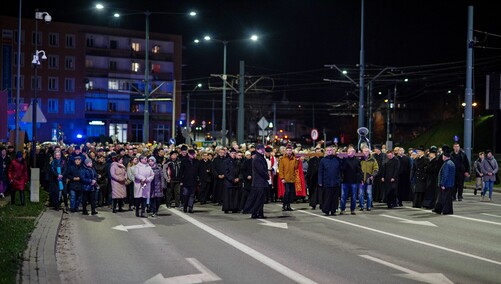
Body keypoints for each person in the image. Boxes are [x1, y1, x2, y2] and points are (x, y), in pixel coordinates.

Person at [243, 144, 268, 219]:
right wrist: (267, 176)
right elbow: (261, 170)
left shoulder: (259, 157)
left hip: (259, 182)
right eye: (262, 149)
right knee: (259, 199)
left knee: (259, 199)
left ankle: (258, 213)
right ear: (258, 150)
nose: (263, 150)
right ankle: (256, 213)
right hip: (259, 182)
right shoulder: (257, 158)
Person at [318, 146, 343, 216]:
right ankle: (326, 210)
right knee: (327, 197)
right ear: (325, 151)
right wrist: (320, 181)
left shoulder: (337, 159)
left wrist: (341, 159)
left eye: (330, 150)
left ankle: (333, 210)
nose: (329, 151)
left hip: (336, 182)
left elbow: (341, 169)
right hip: (326, 182)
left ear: (333, 151)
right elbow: (320, 172)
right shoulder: (323, 160)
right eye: (328, 150)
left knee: (335, 198)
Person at [340, 147, 362, 215]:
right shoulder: (344, 159)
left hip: (354, 181)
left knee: (354, 196)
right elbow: (341, 169)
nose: (349, 153)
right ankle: (342, 209)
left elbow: (359, 171)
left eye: (350, 152)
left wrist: (359, 179)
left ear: (354, 152)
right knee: (343, 196)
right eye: (348, 152)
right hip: (345, 181)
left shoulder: (357, 160)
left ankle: (352, 209)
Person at [179, 149, 203, 213]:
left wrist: (200, 180)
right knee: (185, 194)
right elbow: (181, 171)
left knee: (192, 195)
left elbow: (200, 172)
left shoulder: (197, 161)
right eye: (191, 154)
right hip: (185, 181)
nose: (193, 155)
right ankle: (185, 206)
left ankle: (190, 207)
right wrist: (180, 180)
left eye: (194, 154)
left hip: (194, 181)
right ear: (188, 154)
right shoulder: (184, 161)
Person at [434, 146, 455, 215]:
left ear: (445, 157)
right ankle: (448, 210)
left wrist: (442, 184)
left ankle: (444, 210)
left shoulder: (446, 164)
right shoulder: (452, 163)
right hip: (450, 184)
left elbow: (445, 175)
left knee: (443, 198)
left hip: (446, 184)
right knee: (448, 199)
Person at [278, 145, 299, 211]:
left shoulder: (294, 159)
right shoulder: (282, 159)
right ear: (285, 151)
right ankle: (284, 205)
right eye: (287, 150)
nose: (289, 152)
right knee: (287, 191)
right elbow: (281, 169)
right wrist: (282, 178)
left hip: (292, 178)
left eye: (290, 150)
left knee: (290, 193)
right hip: (286, 178)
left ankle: (288, 205)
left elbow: (296, 167)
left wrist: (297, 161)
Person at [360, 146, 379, 211]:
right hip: (361, 179)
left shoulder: (373, 160)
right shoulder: (360, 159)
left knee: (369, 194)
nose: (366, 152)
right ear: (362, 152)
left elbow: (376, 169)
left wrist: (372, 175)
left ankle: (369, 206)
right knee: (361, 194)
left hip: (369, 179)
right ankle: (361, 206)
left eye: (367, 151)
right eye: (365, 151)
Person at [222, 148, 241, 213]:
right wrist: (232, 179)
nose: (233, 154)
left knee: (235, 195)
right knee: (228, 196)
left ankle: (234, 208)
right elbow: (226, 172)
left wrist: (238, 178)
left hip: (236, 181)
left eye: (235, 153)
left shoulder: (237, 161)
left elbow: (240, 171)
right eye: (232, 153)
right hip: (229, 181)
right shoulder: (226, 161)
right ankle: (227, 208)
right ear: (230, 154)